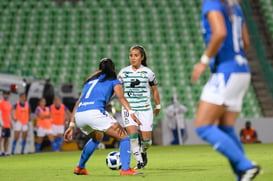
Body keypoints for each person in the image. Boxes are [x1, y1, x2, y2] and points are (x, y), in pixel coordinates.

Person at [191, 0, 261, 180]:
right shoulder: (234, 6)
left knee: (203, 126)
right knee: (225, 127)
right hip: (242, 70)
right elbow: (246, 41)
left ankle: (246, 166)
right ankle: (243, 176)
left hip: (227, 72)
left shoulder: (212, 3)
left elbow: (220, 32)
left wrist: (204, 62)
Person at [64, 58, 143, 175]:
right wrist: (131, 112)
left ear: (100, 69)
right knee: (124, 137)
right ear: (113, 69)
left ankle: (80, 167)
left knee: (97, 137)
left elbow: (77, 103)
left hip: (80, 115)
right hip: (94, 113)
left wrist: (71, 125)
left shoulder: (89, 82)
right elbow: (121, 97)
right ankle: (126, 169)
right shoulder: (113, 80)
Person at [118, 45, 161, 169]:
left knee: (147, 141)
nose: (133, 58)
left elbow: (155, 90)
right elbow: (118, 91)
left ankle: (143, 151)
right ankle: (139, 162)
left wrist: (158, 105)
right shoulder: (123, 72)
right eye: (131, 55)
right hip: (129, 109)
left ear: (142, 57)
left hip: (145, 109)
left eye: (136, 55)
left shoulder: (148, 72)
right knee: (132, 137)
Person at [0, 91, 12, 156]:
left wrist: (10, 123)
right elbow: (0, 114)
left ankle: (6, 152)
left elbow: (8, 114)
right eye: (5, 95)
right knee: (1, 138)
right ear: (3, 95)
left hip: (8, 124)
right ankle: (0, 151)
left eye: (7, 95)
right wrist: (1, 124)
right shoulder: (1, 103)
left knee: (7, 138)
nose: (6, 96)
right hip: (2, 124)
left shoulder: (9, 103)